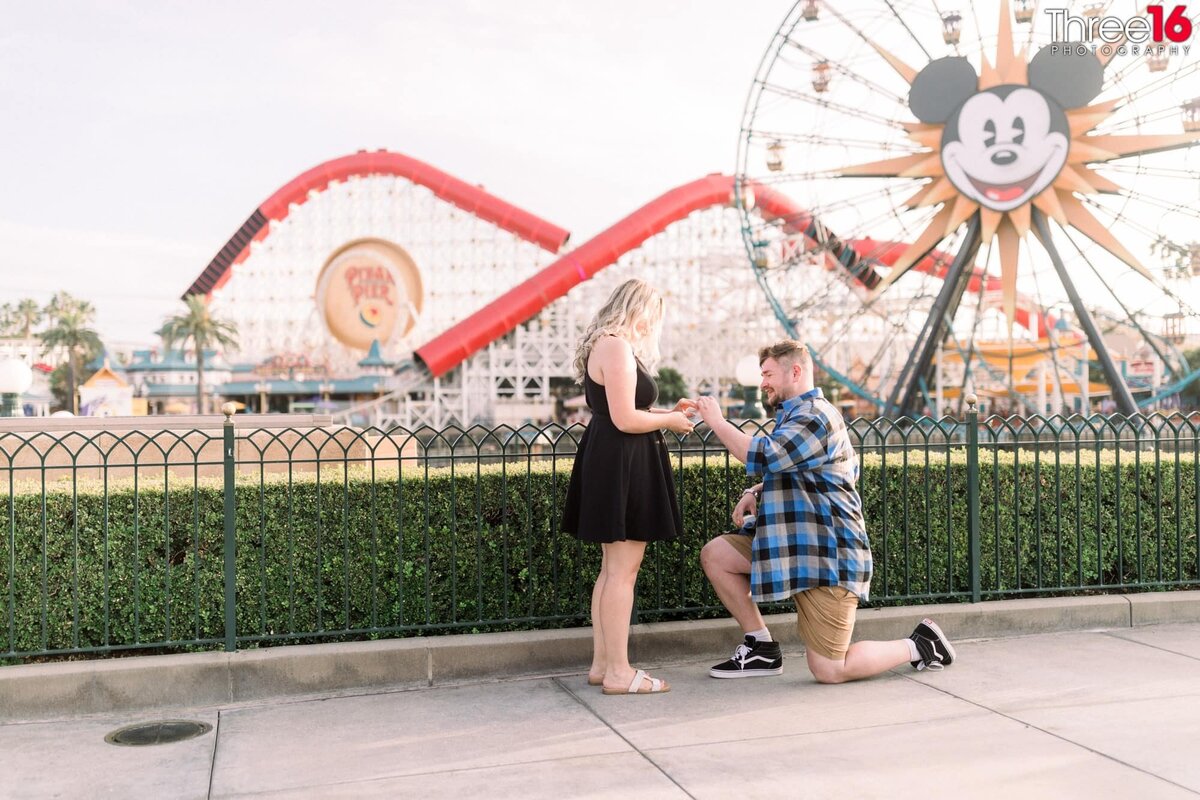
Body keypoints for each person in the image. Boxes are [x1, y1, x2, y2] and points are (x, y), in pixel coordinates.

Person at [695, 339, 955, 683]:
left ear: (796, 371)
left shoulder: (815, 417)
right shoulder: (796, 415)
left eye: (769, 373)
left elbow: (763, 455)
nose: (763, 382)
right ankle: (761, 647)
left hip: (827, 559)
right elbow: (820, 470)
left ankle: (921, 644)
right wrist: (754, 489)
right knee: (717, 556)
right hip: (792, 549)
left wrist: (716, 421)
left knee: (831, 669)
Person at [561, 279, 696, 695]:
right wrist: (670, 422)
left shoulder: (604, 344)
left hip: (612, 456)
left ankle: (604, 665)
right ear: (641, 310)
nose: (652, 326)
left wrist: (664, 413)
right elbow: (625, 419)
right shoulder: (617, 346)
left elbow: (626, 410)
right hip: (622, 459)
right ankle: (619, 673)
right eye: (653, 317)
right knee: (623, 572)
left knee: (611, 570)